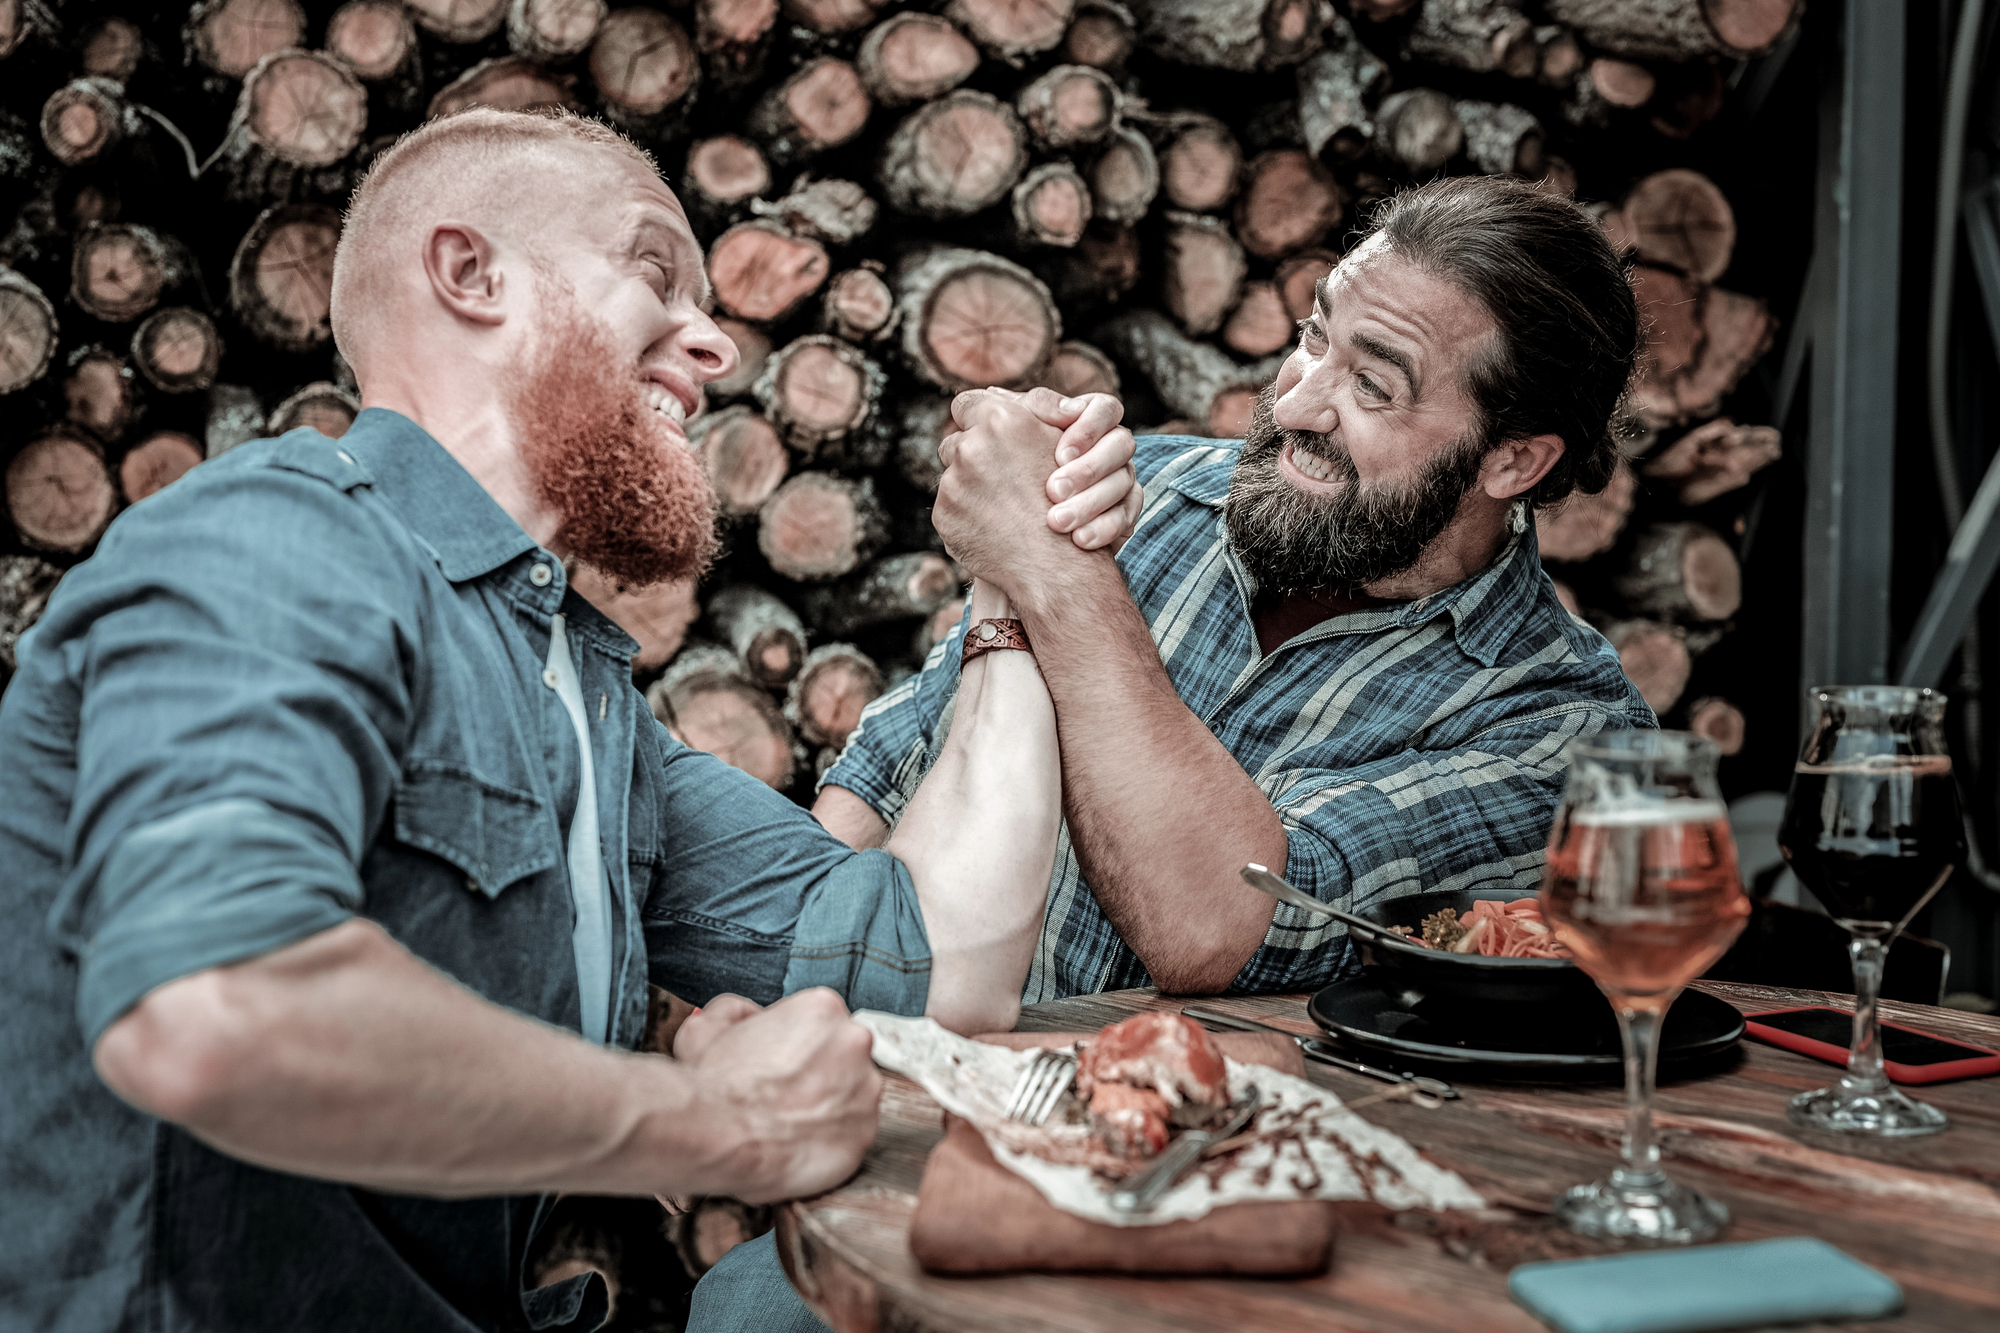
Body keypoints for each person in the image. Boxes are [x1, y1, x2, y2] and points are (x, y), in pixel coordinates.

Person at [0, 107, 1141, 1333]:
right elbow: (211, 1010)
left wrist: (1020, 579)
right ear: (467, 272)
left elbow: (939, 971)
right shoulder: (277, 538)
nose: (712, 344)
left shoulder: (587, 701)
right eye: (655, 271)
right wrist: (722, 1124)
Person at [815, 175, 1655, 1003]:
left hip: (1190, 1124)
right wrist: (780, 976)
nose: (1298, 404)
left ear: (1513, 460)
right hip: (904, 1081)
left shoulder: (1559, 726)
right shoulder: (1147, 487)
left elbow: (1224, 924)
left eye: (1373, 385)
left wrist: (1061, 574)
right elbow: (890, 768)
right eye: (1315, 337)